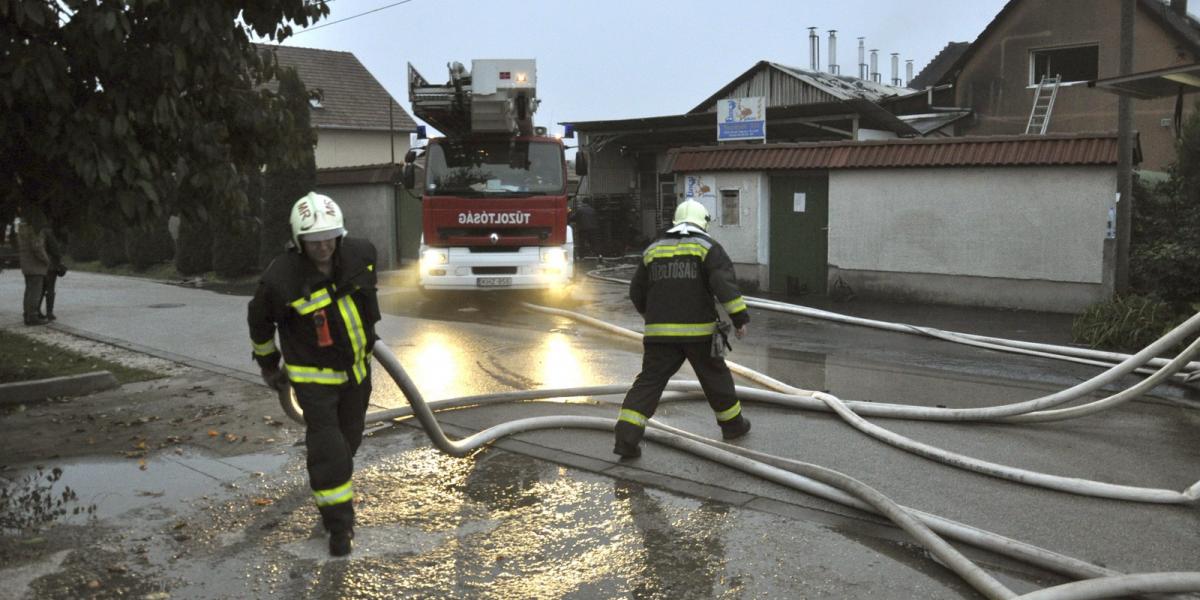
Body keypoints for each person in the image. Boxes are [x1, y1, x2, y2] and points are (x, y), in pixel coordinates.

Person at [247, 192, 381, 557]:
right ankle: (339, 528)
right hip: (314, 379)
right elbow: (259, 321)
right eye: (313, 240)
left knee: (348, 442)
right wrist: (269, 364)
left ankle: (331, 498)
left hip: (357, 374)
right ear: (298, 241)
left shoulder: (361, 255)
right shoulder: (281, 279)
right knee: (329, 449)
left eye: (329, 237)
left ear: (340, 235)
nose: (322, 246)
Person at [613, 198, 751, 459]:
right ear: (704, 223)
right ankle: (733, 426)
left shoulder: (653, 249)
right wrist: (740, 319)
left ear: (675, 221)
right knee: (715, 377)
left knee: (648, 383)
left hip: (658, 335)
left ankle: (625, 439)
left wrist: (650, 316)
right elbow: (725, 287)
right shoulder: (708, 247)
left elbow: (636, 292)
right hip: (699, 333)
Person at [16, 213, 50, 326]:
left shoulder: (21, 230)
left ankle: (27, 314)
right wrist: (47, 260)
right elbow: (37, 247)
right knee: (35, 292)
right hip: (36, 266)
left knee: (28, 291)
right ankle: (33, 317)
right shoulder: (34, 230)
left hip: (26, 265)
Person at [40, 224, 65, 321]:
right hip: (51, 265)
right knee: (50, 289)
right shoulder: (48, 232)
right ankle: (49, 313)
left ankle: (36, 311)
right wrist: (60, 261)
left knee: (41, 289)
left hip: (41, 264)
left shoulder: (39, 231)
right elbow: (55, 250)